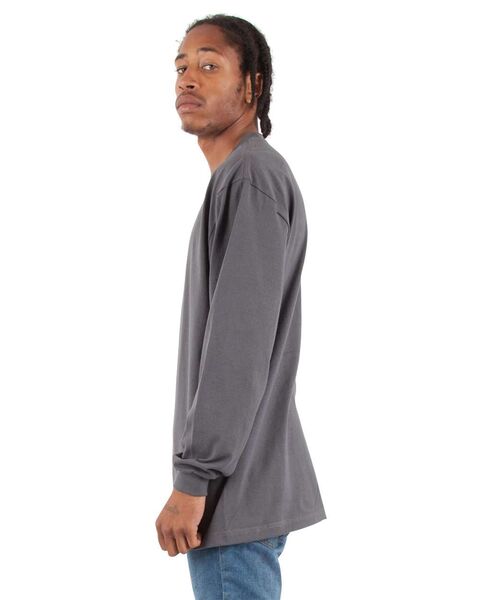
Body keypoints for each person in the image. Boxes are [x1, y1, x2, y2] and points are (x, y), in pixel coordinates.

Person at [155, 14, 327, 599]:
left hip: (232, 497)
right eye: (181, 66)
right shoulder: (242, 177)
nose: (187, 78)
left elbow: (239, 345)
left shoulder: (251, 176)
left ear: (253, 84)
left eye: (209, 65)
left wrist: (194, 478)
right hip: (240, 492)